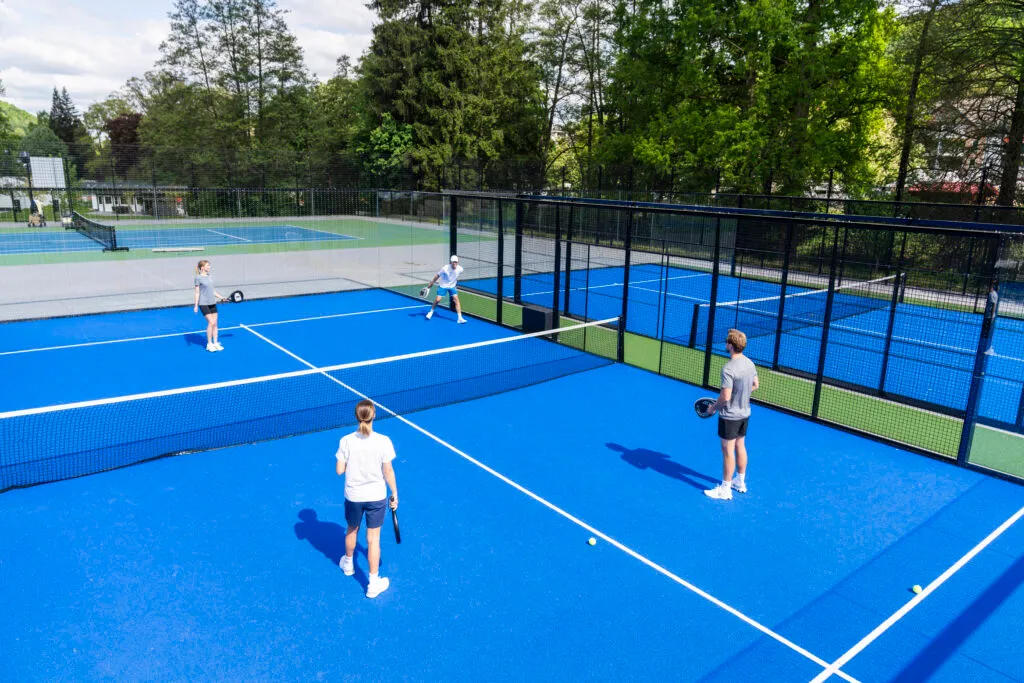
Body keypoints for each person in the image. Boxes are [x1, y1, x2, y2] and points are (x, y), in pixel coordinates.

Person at [336, 399, 399, 599]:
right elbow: (387, 470)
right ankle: (373, 583)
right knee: (373, 539)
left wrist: (352, 462)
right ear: (374, 416)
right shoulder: (384, 441)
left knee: (351, 530)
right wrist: (394, 493)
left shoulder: (346, 440)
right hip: (376, 497)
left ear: (357, 417)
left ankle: (348, 564)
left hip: (353, 496)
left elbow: (339, 470)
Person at [704, 329, 759, 501]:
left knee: (728, 451)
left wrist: (713, 408)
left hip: (730, 417)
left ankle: (725, 489)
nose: (725, 344)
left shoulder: (728, 368)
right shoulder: (749, 363)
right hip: (745, 413)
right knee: (740, 446)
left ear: (730, 345)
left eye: (727, 342)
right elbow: (755, 384)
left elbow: (725, 397)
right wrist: (740, 394)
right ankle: (740, 482)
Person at [193, 260, 225, 352]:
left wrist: (221, 297)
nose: (209, 267)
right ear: (202, 267)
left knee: (215, 323)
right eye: (207, 265)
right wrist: (195, 306)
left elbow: (212, 291)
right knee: (211, 322)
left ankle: (215, 343)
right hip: (203, 303)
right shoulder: (198, 278)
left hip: (212, 302)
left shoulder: (209, 277)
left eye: (209, 265)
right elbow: (197, 292)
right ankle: (209, 344)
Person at [425, 254, 466, 323]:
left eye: (456, 262)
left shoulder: (460, 269)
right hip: (443, 286)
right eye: (453, 262)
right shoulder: (445, 268)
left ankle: (460, 318)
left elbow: (455, 275)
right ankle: (431, 312)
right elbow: (437, 276)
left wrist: (454, 281)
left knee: (456, 300)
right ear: (451, 262)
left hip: (452, 286)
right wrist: (432, 283)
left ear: (457, 262)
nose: (455, 263)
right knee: (438, 299)